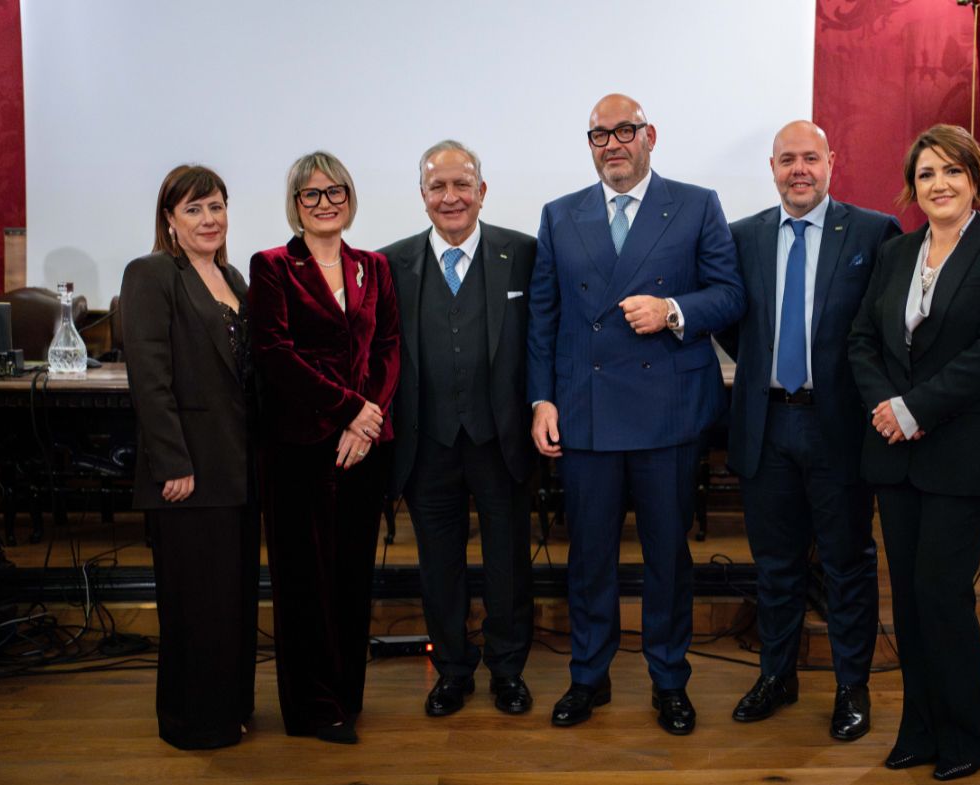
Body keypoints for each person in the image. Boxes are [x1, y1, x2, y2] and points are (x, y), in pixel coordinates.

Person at [527, 93, 745, 735]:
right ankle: (587, 678)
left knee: (666, 559)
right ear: (589, 144)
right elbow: (544, 317)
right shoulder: (559, 215)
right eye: (600, 135)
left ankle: (669, 681)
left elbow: (729, 295)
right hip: (586, 414)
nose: (613, 144)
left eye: (625, 131)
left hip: (669, 415)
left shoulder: (697, 203)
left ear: (651, 136)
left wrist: (672, 310)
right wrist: (542, 399)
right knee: (589, 557)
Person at [848, 124, 980, 780]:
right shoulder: (896, 254)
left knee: (942, 593)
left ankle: (969, 736)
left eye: (952, 171)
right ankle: (920, 728)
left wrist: (913, 409)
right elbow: (863, 341)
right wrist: (886, 408)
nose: (939, 184)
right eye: (926, 174)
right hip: (895, 456)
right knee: (909, 597)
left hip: (960, 453)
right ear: (913, 187)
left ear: (977, 179)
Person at [716, 121, 900, 738]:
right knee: (775, 564)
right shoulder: (742, 237)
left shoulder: (873, 233)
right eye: (787, 159)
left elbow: (882, 328)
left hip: (839, 428)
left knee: (847, 563)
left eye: (810, 158)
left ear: (831, 163)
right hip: (766, 424)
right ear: (772, 167)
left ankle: (852, 686)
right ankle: (777, 674)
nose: (799, 169)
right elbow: (730, 321)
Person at [379, 140, 536, 718]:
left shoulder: (522, 254)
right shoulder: (389, 264)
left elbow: (542, 340)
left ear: (482, 191)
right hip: (427, 443)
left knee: (508, 563)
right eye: (438, 187)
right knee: (437, 565)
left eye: (461, 185)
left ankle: (508, 670)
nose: (451, 197)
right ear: (422, 197)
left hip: (502, 439)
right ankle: (450, 670)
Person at [250, 151, 401, 745]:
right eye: (311, 195)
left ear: (349, 197)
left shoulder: (374, 267)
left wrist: (366, 422)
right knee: (303, 583)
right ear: (295, 205)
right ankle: (312, 709)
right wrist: (347, 410)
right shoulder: (272, 267)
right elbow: (275, 356)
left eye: (334, 192)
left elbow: (388, 346)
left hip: (362, 448)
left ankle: (346, 697)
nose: (324, 203)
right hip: (298, 449)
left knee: (350, 577)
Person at [121, 164, 258, 750]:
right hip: (188, 473)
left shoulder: (235, 278)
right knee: (193, 605)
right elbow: (149, 379)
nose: (210, 219)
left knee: (231, 603)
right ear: (170, 221)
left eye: (217, 206)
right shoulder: (152, 275)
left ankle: (228, 711)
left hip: (238, 472)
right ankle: (191, 722)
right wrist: (172, 462)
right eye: (195, 209)